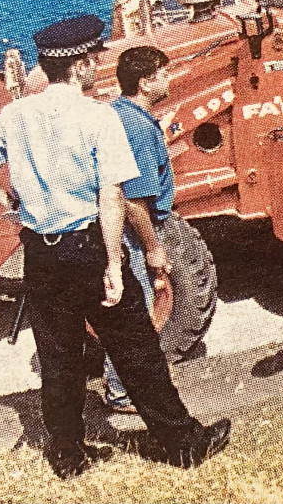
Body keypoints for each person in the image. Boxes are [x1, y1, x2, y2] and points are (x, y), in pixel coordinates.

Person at [0, 15, 230, 478]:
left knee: (58, 354)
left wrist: (11, 203)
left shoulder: (17, 115)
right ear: (81, 66)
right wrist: (114, 264)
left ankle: (67, 455)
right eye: (93, 60)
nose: (96, 67)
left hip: (40, 251)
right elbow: (111, 196)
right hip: (88, 245)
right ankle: (182, 442)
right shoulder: (99, 117)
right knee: (137, 348)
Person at [101, 45, 177, 413]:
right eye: (164, 73)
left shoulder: (119, 114)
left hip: (113, 229)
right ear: (146, 82)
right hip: (132, 232)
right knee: (139, 309)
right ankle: (120, 390)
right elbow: (134, 201)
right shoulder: (138, 128)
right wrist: (153, 246)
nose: (169, 79)